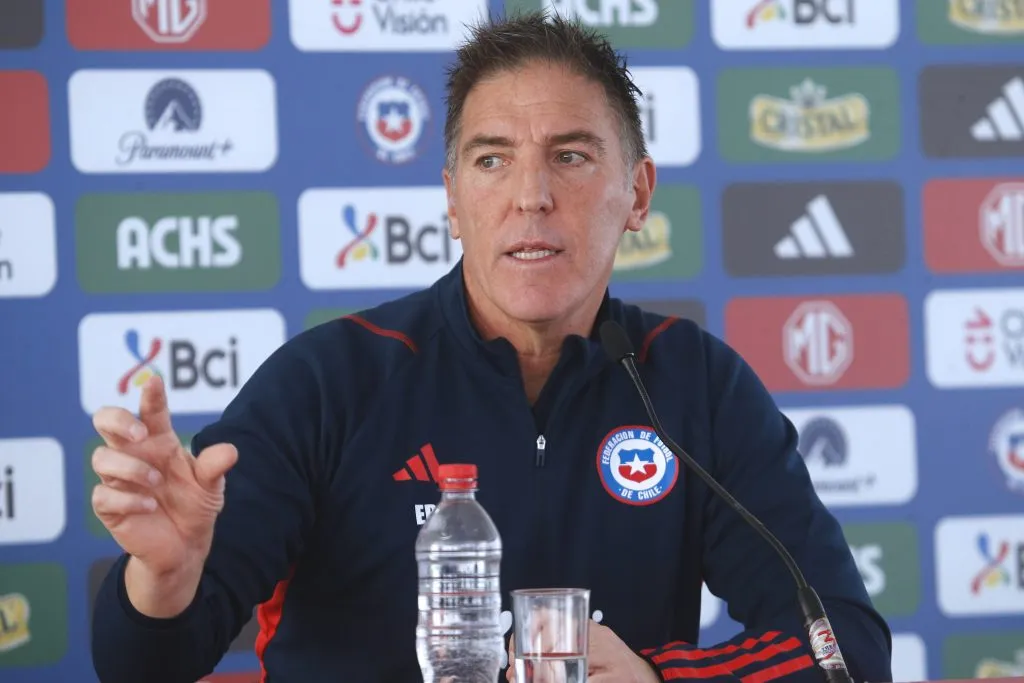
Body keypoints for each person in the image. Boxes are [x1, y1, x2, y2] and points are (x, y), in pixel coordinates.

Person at [89, 10, 893, 683]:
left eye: (570, 156)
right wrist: (164, 580)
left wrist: (660, 678)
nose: (530, 196)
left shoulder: (696, 382)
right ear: (453, 200)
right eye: (492, 159)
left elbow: (847, 648)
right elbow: (143, 665)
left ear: (638, 193)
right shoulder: (328, 380)